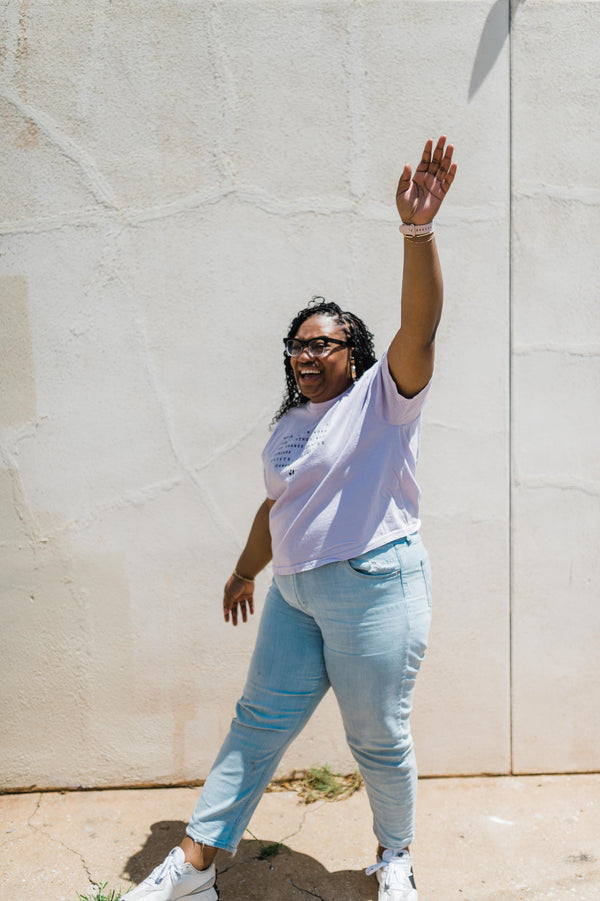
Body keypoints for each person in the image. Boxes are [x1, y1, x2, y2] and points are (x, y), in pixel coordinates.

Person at [122, 135, 457, 901]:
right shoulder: (290, 426)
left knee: (377, 740)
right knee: (255, 723)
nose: (307, 355)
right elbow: (278, 504)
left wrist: (417, 231)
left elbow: (421, 326)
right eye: (297, 345)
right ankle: (195, 867)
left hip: (376, 585)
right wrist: (246, 568)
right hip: (295, 595)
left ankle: (394, 856)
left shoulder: (382, 397)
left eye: (323, 343)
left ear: (354, 349)